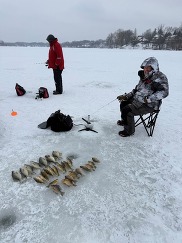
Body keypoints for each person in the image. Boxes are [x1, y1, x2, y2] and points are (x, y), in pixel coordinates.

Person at [117, 57, 169, 137]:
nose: (146, 70)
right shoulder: (144, 76)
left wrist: (148, 99)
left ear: (153, 68)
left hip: (149, 105)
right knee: (123, 103)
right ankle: (125, 120)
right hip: (138, 100)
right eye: (145, 67)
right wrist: (126, 96)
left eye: (148, 67)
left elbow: (164, 92)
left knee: (127, 110)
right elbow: (136, 90)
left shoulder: (160, 77)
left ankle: (129, 131)